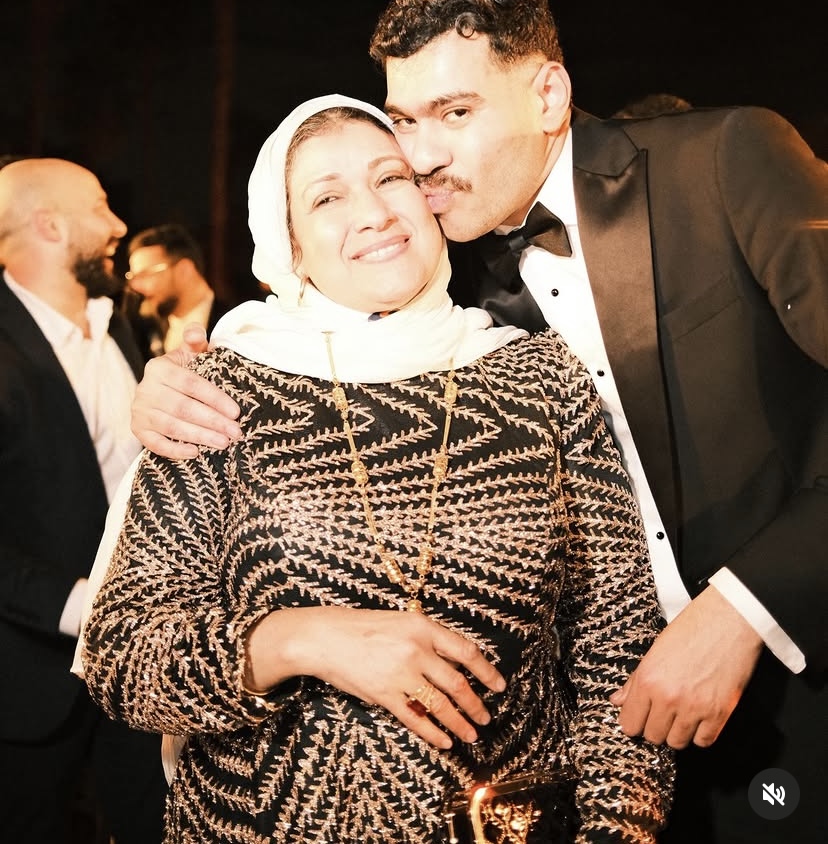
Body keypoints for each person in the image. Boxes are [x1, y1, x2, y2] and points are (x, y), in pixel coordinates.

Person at [133, 0, 827, 843]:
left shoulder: (724, 161)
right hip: (609, 748)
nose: (420, 158)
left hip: (799, 669)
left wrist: (743, 607)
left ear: (549, 95)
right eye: (406, 121)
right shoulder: (438, 273)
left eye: (455, 113)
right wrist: (165, 387)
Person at [79, 95, 674, 843]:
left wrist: (619, 830)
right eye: (326, 198)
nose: (372, 214)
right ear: (289, 245)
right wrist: (297, 639)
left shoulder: (540, 378)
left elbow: (615, 638)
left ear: (430, 200)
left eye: (391, 178)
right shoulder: (219, 395)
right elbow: (124, 656)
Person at [0, 158, 167, 843]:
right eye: (100, 207)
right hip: (28, 678)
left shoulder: (116, 324)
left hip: (145, 660)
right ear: (50, 226)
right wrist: (82, 607)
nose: (119, 225)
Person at [121, 222, 232, 360]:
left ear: (184, 270)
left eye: (145, 275)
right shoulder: (144, 332)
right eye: (133, 278)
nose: (135, 286)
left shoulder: (235, 325)